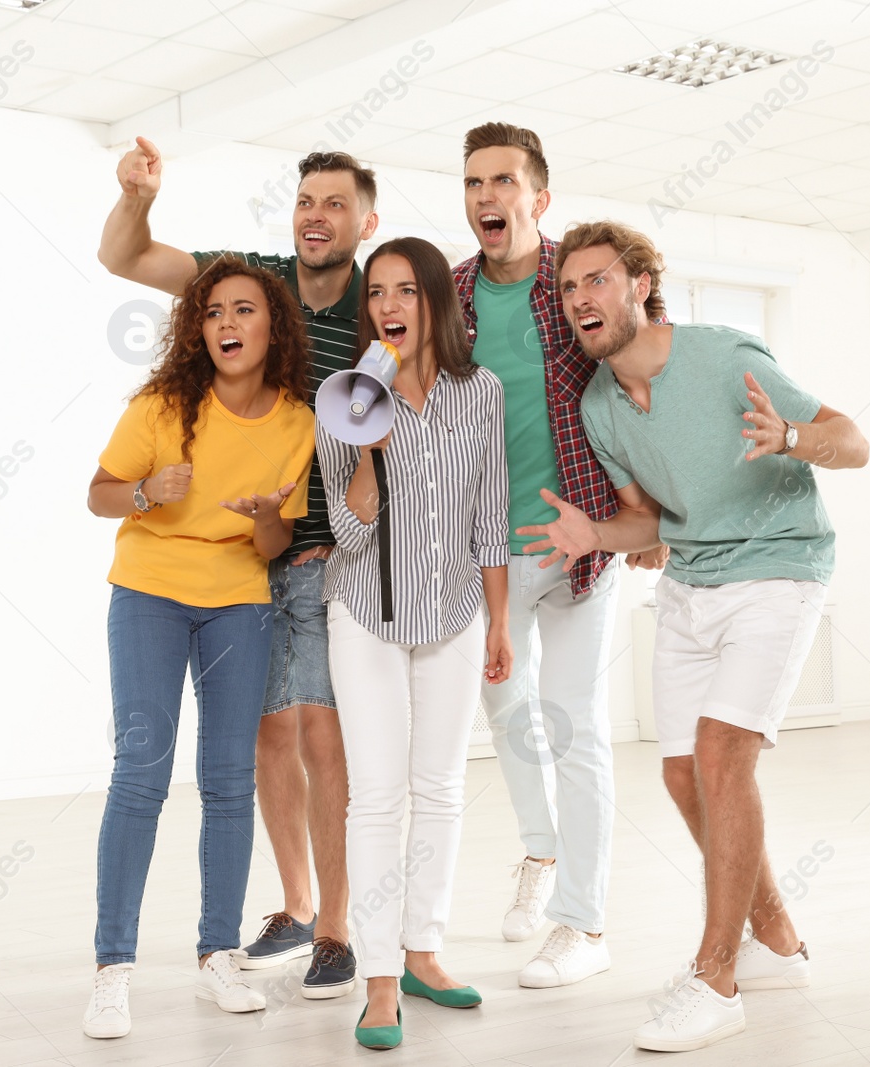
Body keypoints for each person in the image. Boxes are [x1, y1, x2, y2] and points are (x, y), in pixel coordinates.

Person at [526, 219, 870, 1052]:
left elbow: (852, 440)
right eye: (569, 289)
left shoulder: (724, 357)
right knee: (683, 777)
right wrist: (595, 536)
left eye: (597, 281)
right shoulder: (599, 406)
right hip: (692, 583)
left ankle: (715, 977)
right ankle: (777, 939)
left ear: (641, 284)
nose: (581, 300)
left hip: (779, 568)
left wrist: (788, 438)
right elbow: (645, 524)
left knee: (722, 756)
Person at [98, 139, 379, 997]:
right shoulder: (253, 276)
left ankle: (335, 926)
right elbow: (124, 253)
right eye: (305, 199)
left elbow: (400, 413)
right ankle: (289, 909)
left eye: (335, 203)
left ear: (366, 221)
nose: (315, 214)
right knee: (252, 745)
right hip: (242, 572)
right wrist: (139, 195)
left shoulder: (381, 307)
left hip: (327, 552)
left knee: (320, 734)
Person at [82, 258, 317, 1039]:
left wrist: (264, 519)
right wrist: (151, 492)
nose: (225, 324)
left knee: (227, 780)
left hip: (239, 603)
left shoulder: (298, 423)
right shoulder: (162, 403)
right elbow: (99, 492)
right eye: (213, 311)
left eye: (243, 310)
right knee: (140, 773)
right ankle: (113, 967)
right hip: (149, 592)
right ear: (198, 328)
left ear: (271, 327)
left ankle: (218, 950)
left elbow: (279, 538)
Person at [453, 121, 665, 988]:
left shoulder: (576, 280)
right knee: (506, 712)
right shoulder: (453, 290)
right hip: (486, 552)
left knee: (575, 724)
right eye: (473, 182)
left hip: (577, 542)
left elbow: (650, 366)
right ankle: (540, 853)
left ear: (538, 197)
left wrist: (647, 507)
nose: (487, 196)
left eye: (503, 180)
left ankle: (583, 923)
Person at [316, 236, 513, 1051]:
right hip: (366, 612)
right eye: (377, 294)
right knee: (379, 795)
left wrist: (500, 620)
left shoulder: (482, 391)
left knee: (440, 789)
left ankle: (424, 950)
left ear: (437, 300)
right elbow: (346, 533)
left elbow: (490, 513)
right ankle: (380, 981)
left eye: (405, 290)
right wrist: (369, 454)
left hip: (457, 613)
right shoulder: (349, 397)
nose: (389, 306)